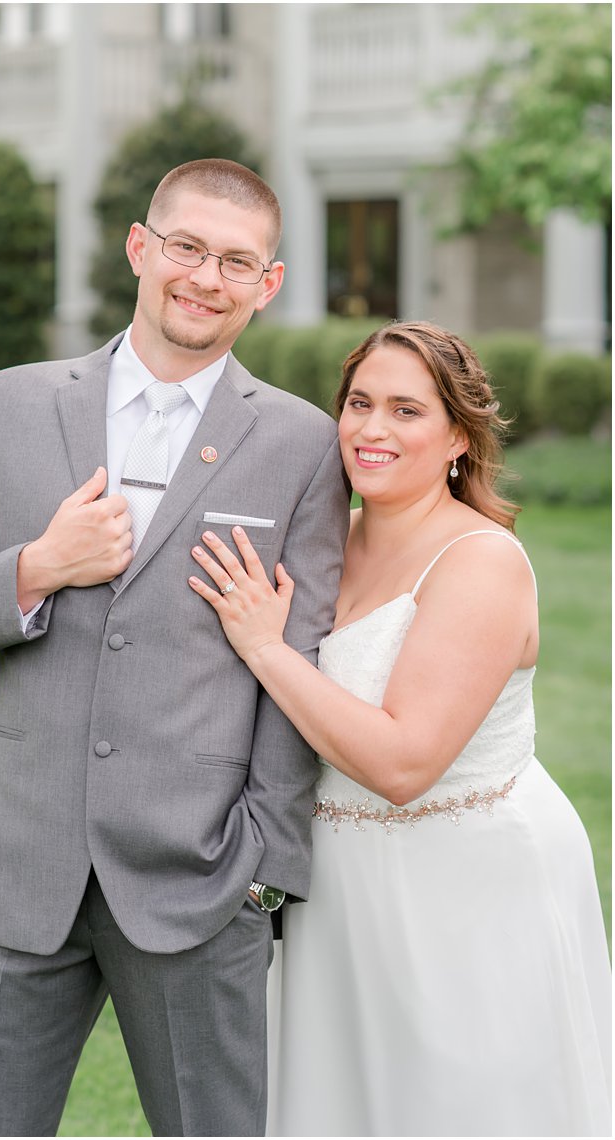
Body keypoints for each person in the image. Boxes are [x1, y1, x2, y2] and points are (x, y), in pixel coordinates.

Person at [0, 158, 349, 1136]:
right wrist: (37, 566)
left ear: (266, 285)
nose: (203, 277)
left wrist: (262, 860)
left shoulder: (301, 444)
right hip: (20, 865)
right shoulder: (3, 406)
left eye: (235, 261)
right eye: (185, 247)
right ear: (140, 248)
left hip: (199, 878)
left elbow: (293, 659)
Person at [188, 320, 612, 1136]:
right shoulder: (325, 542)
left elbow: (404, 762)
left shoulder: (480, 562)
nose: (373, 430)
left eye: (406, 411)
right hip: (336, 890)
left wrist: (266, 649)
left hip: (466, 891)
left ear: (458, 433)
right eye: (359, 403)